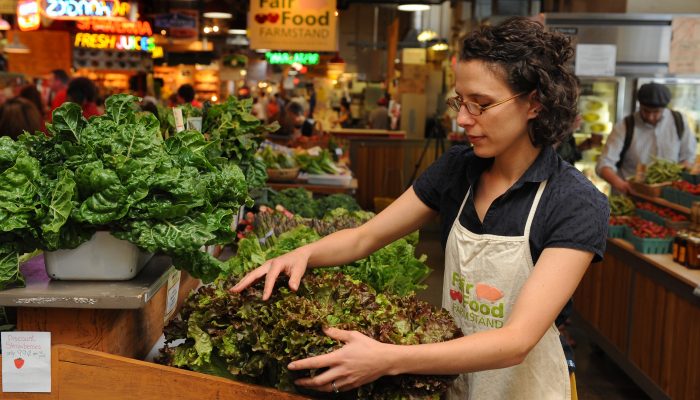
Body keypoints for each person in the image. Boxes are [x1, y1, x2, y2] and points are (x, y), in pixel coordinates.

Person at [232, 17, 609, 399]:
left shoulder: (574, 202)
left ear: (534, 103)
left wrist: (388, 358)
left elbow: (516, 340)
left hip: (524, 387)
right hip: (453, 379)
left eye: (481, 104)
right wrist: (302, 254)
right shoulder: (458, 169)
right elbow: (366, 237)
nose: (463, 119)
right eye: (461, 102)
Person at [596, 82, 696, 194]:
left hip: (669, 194)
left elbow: (688, 156)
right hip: (632, 194)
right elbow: (604, 164)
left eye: (656, 112)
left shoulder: (679, 121)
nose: (650, 116)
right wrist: (622, 185)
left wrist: (681, 174)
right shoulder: (625, 126)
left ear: (665, 108)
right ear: (640, 105)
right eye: (646, 111)